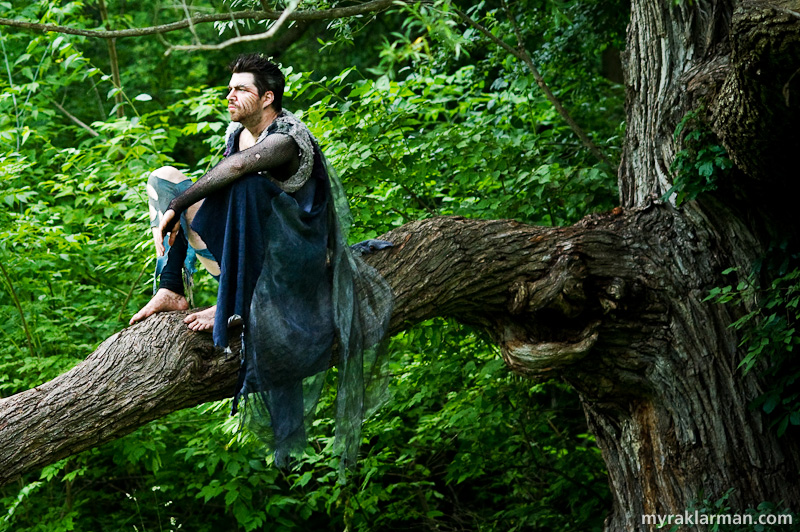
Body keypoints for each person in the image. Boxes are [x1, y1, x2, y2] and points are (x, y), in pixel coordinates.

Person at [129, 53, 393, 469]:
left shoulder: (287, 137)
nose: (230, 94)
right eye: (230, 87)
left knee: (243, 190)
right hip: (251, 254)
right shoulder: (237, 132)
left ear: (267, 97)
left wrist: (180, 206)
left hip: (294, 262)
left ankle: (234, 304)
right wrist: (177, 203)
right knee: (163, 179)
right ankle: (171, 289)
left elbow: (238, 170)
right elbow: (218, 188)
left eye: (241, 89)